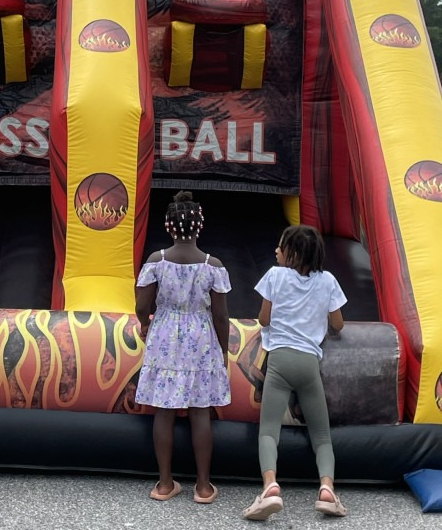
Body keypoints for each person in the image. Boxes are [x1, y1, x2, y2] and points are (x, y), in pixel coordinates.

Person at [243, 224, 348, 521]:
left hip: (279, 361)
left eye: (281, 246)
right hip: (309, 363)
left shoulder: (275, 276)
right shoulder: (327, 281)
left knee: (268, 431)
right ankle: (327, 490)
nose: (276, 250)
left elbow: (264, 319)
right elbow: (338, 324)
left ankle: (270, 488)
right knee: (322, 435)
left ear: (294, 254)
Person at [135, 191, 231, 504]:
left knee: (164, 411)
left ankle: (165, 484)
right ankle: (203, 487)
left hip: (164, 334)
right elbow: (221, 316)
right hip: (201, 338)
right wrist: (223, 351)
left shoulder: (156, 261)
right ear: (199, 226)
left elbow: (142, 305)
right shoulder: (213, 266)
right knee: (200, 412)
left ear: (168, 226)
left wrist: (145, 323)